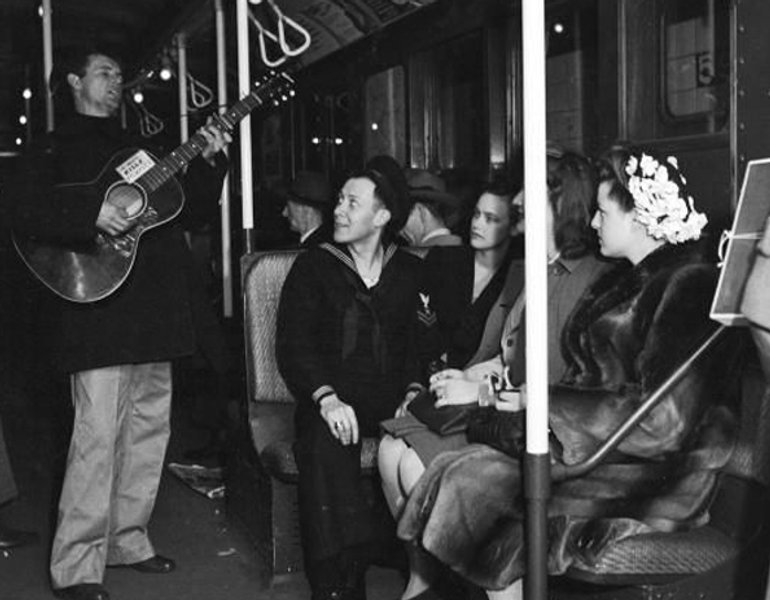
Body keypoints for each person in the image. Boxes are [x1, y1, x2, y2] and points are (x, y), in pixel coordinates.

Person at [396, 146, 738, 600]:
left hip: (658, 474)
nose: (593, 222)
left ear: (638, 217)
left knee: (476, 487)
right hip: (608, 449)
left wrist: (544, 402)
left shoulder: (688, 285)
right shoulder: (628, 280)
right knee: (459, 471)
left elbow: (665, 421)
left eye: (603, 213)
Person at [11, 47, 230, 600]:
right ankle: (76, 567)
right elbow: (22, 211)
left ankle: (128, 540)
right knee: (96, 437)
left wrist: (212, 161)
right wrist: (90, 214)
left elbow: (192, 211)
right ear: (73, 80)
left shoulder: (143, 151)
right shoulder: (50, 149)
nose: (115, 82)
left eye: (117, 74)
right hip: (97, 312)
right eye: (104, 73)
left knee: (149, 430)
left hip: (155, 310)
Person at [378, 152, 608, 600]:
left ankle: (464, 584)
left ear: (561, 205)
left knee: (410, 463)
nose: (517, 201)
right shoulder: (534, 271)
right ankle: (427, 579)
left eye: (529, 194)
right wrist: (465, 377)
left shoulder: (584, 280)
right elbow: (506, 353)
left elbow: (555, 382)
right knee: (390, 450)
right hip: (508, 409)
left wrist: (479, 390)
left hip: (539, 428)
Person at [275, 155, 422, 600]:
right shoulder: (313, 267)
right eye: (339, 200)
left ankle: (422, 570)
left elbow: (421, 346)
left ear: (382, 216)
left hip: (392, 401)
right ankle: (337, 585)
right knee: (326, 443)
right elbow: (294, 345)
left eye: (351, 203)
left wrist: (414, 392)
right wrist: (327, 398)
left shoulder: (410, 271)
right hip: (332, 399)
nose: (337, 210)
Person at [400, 170, 462, 247]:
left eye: (404, 216)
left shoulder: (423, 252)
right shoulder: (459, 246)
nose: (400, 231)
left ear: (421, 211)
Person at [281, 170, 335, 246]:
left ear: (306, 211)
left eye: (289, 208)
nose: (284, 213)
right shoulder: (328, 243)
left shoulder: (313, 249)